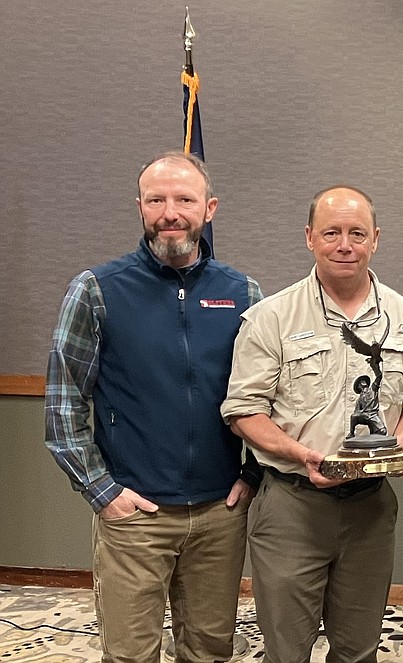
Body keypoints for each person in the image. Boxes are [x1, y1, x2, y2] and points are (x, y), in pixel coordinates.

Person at [44, 151, 261, 663]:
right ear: (139, 207)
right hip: (134, 514)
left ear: (209, 208)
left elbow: (271, 397)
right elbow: (62, 405)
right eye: (156, 199)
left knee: (208, 651)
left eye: (184, 199)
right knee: (130, 655)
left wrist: (253, 474)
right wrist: (103, 492)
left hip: (219, 513)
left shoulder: (243, 293)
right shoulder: (96, 290)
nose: (170, 212)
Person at [220, 185, 403, 663]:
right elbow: (243, 411)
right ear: (309, 238)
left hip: (370, 512)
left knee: (358, 651)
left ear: (375, 239)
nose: (345, 244)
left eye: (357, 233)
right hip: (293, 509)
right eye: (332, 232)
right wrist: (301, 454)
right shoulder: (271, 318)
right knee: (286, 651)